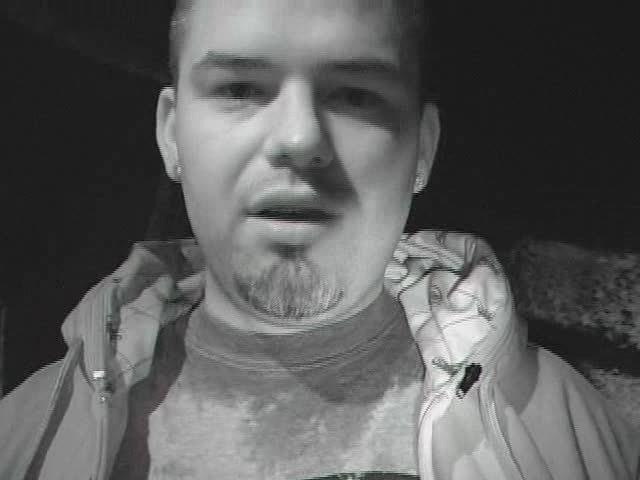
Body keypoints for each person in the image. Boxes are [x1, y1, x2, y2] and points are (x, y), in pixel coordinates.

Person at [0, 1, 638, 479]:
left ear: (423, 148)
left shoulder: (567, 427)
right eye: (239, 89)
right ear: (171, 136)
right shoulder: (24, 434)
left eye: (355, 96)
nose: (299, 138)